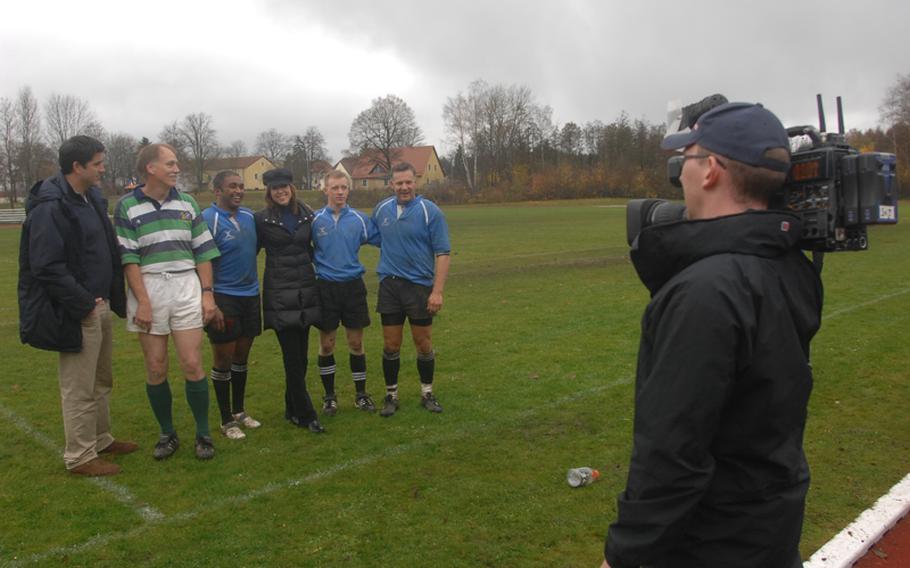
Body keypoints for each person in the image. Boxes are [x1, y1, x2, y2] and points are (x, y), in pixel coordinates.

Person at [602, 103, 823, 568]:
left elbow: (674, 455)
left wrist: (625, 557)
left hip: (711, 544)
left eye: (688, 159)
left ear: (711, 172)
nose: (678, 172)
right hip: (767, 532)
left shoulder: (707, 292)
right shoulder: (790, 268)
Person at [18, 135, 136, 476]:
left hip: (98, 304)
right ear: (77, 166)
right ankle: (80, 456)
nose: (103, 169)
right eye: (97, 163)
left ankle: (101, 439)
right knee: (78, 385)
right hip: (76, 309)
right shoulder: (50, 206)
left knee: (101, 380)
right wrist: (83, 302)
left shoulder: (91, 199)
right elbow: (46, 266)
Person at [114, 143, 221, 461]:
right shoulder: (127, 206)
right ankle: (167, 433)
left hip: (186, 286)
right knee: (156, 366)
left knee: (192, 364)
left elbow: (202, 251)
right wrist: (143, 301)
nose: (177, 169)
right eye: (171, 163)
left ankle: (203, 433)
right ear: (151, 168)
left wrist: (207, 293)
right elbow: (129, 257)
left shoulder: (187, 202)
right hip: (149, 288)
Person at [371, 162, 451, 417]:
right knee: (391, 344)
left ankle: (427, 393)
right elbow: (369, 235)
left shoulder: (431, 212)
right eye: (399, 183)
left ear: (415, 182)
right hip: (390, 286)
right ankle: (391, 396)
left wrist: (437, 291)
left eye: (408, 182)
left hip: (419, 287)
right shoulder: (381, 210)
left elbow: (443, 253)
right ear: (391, 184)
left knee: (423, 343)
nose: (404, 187)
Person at [254, 167, 325, 434]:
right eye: (275, 188)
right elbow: (249, 251)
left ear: (291, 188)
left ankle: (290, 407)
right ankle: (306, 414)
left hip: (306, 291)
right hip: (281, 294)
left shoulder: (308, 216)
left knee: (302, 358)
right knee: (291, 358)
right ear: (269, 192)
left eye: (284, 187)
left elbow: (317, 248)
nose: (281, 191)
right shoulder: (261, 220)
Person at [312, 170, 380, 415]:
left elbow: (386, 240)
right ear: (325, 190)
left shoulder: (360, 220)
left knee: (356, 342)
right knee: (327, 344)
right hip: (325, 287)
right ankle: (329, 397)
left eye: (343, 187)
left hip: (352, 287)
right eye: (335, 188)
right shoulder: (315, 219)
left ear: (348, 189)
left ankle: (361, 395)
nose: (339, 192)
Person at [202, 171, 262, 440]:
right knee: (223, 358)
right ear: (217, 191)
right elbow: (201, 260)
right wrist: (209, 299)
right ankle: (226, 420)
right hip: (223, 297)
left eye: (241, 186)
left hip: (251, 295)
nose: (238, 191)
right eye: (232, 187)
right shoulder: (208, 219)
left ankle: (239, 411)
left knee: (242, 355)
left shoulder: (249, 216)